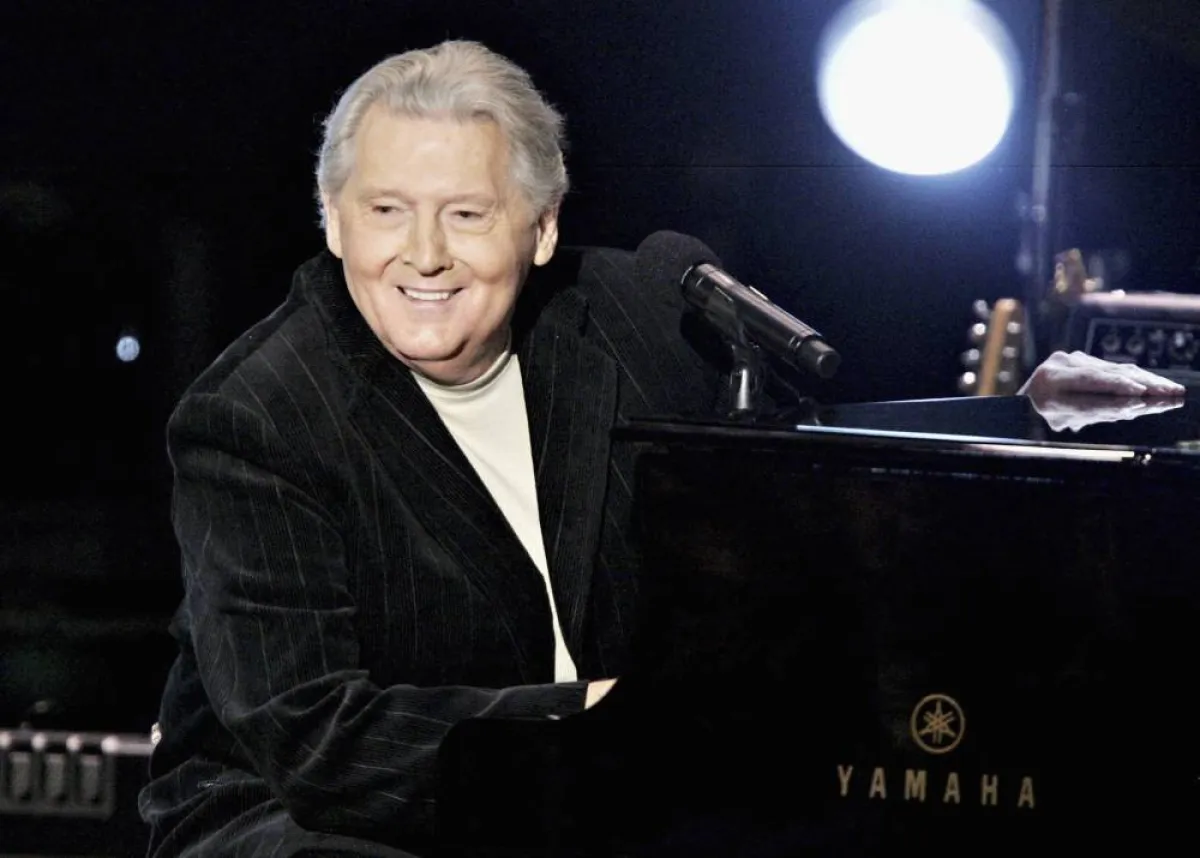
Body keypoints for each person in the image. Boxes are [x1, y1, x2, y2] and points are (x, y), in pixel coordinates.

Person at [137, 39, 1186, 858]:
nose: (422, 256)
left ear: (540, 227)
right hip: (312, 821)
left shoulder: (636, 309)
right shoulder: (256, 418)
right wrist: (594, 720)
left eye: (465, 213)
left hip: (607, 795)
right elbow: (321, 739)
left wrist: (1019, 415)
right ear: (331, 220)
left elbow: (813, 458)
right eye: (385, 212)